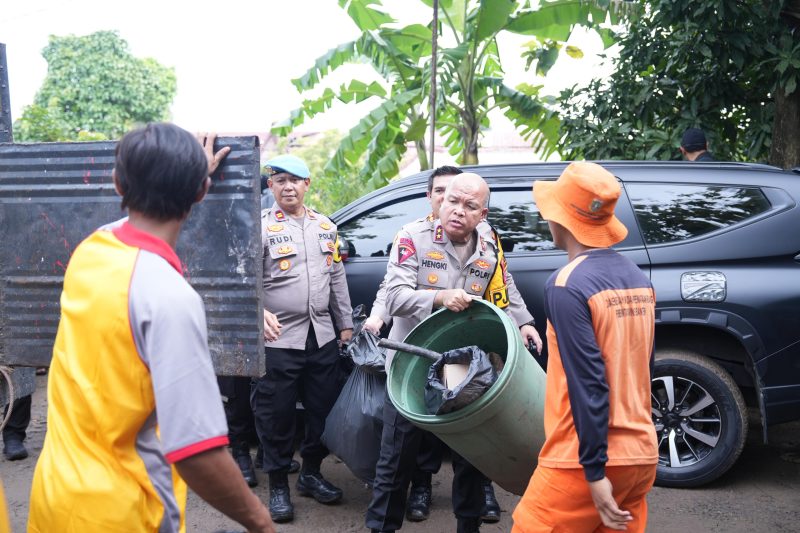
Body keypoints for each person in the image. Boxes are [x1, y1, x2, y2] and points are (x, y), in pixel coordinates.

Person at [27, 124, 275, 533]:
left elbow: (136, 233)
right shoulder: (169, 298)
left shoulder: (90, 251)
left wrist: (191, 177)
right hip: (124, 515)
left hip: (55, 499)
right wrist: (260, 520)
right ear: (200, 193)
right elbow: (197, 452)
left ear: (117, 182)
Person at [366, 172, 542, 533]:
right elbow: (395, 296)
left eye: (470, 206)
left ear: (483, 214)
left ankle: (468, 527)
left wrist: (523, 320)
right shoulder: (412, 236)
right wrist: (439, 297)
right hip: (411, 366)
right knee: (396, 459)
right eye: (452, 201)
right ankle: (381, 528)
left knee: (471, 460)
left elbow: (502, 284)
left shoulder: (490, 242)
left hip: (467, 368)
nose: (458, 210)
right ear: (440, 202)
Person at [512, 162, 657, 533]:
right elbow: (643, 368)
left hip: (581, 460)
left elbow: (588, 382)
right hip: (641, 454)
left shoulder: (567, 284)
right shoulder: (637, 278)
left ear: (559, 220)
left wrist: (593, 471)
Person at [253, 153, 354, 523]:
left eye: (294, 180)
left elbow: (337, 278)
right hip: (278, 338)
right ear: (271, 187)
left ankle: (311, 472)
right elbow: (245, 278)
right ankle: (278, 484)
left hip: (322, 336)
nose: (287, 186)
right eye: (279, 180)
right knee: (276, 415)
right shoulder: (260, 227)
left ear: (307, 185)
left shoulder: (325, 227)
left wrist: (345, 323)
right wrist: (256, 311)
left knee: (323, 411)